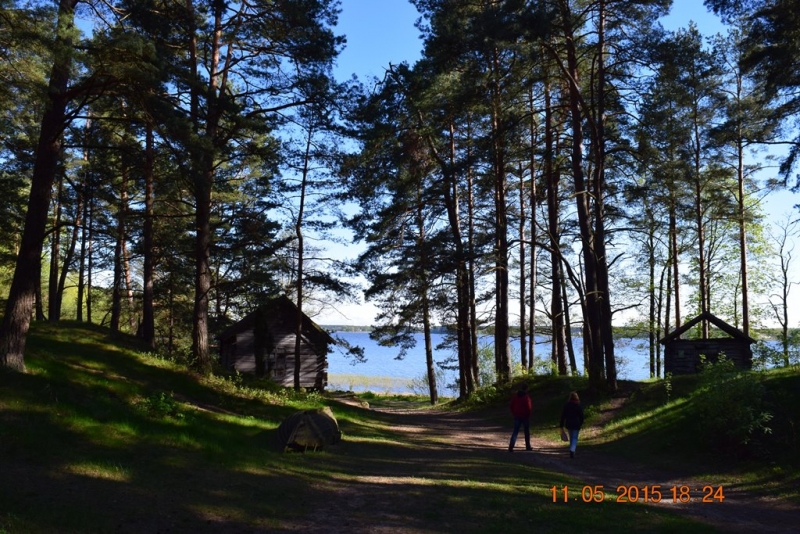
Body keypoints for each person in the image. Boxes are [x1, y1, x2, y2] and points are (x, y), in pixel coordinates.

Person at [508, 382, 533, 452]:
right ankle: (528, 446)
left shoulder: (516, 396)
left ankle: (511, 446)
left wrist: (514, 413)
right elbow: (529, 407)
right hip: (525, 416)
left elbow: (511, 406)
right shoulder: (526, 397)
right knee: (526, 431)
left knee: (515, 431)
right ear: (527, 389)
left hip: (517, 416)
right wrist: (528, 414)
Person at [560, 391, 584, 458]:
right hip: (576, 423)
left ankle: (571, 450)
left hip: (569, 423)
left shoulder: (567, 405)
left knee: (571, 437)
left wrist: (561, 424)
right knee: (575, 438)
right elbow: (581, 416)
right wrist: (581, 423)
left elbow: (563, 415)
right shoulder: (578, 405)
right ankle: (572, 450)